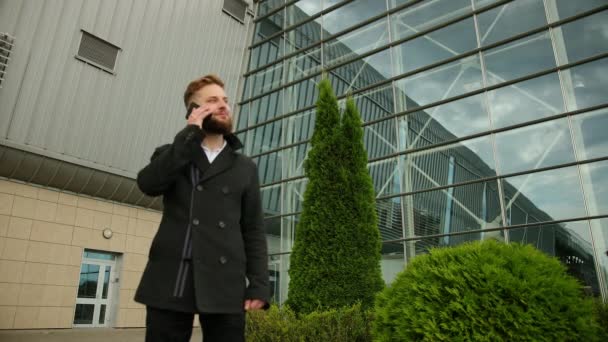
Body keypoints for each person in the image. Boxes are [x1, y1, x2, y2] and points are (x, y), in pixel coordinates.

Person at [135, 74, 269, 342]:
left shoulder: (245, 167)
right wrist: (189, 135)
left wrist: (259, 285)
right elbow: (149, 184)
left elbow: (252, 229)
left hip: (226, 281)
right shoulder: (172, 152)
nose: (223, 105)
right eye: (212, 100)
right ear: (194, 111)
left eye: (225, 100)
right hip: (173, 275)